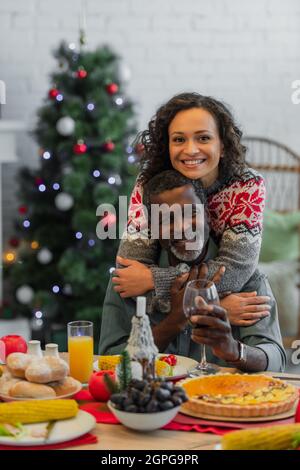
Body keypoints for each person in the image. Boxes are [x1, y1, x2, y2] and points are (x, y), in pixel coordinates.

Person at [99, 171, 286, 372]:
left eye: (192, 213)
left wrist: (234, 350)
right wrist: (175, 320)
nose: (183, 227)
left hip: (221, 397)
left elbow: (275, 359)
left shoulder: (246, 276)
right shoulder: (128, 279)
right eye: (167, 220)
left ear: (207, 215)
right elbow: (109, 360)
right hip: (154, 399)